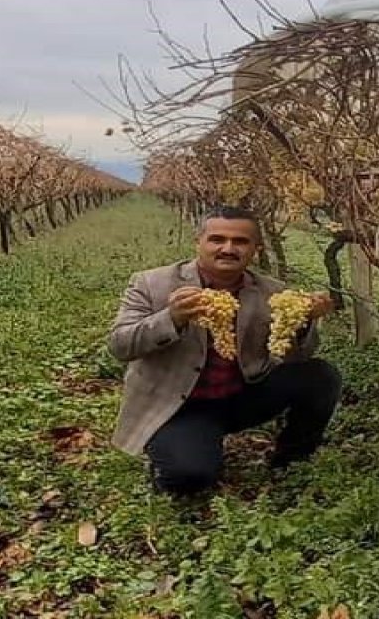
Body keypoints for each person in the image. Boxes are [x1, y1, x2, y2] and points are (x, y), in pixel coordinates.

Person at [107, 205, 340, 497]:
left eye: (240, 242)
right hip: (179, 406)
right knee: (189, 478)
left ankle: (292, 461)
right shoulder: (151, 284)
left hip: (242, 394)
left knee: (319, 375)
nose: (228, 249)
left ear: (256, 248)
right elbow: (120, 345)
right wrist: (173, 318)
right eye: (217, 239)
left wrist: (305, 321)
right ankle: (180, 448)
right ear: (199, 242)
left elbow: (295, 357)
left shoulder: (273, 292)